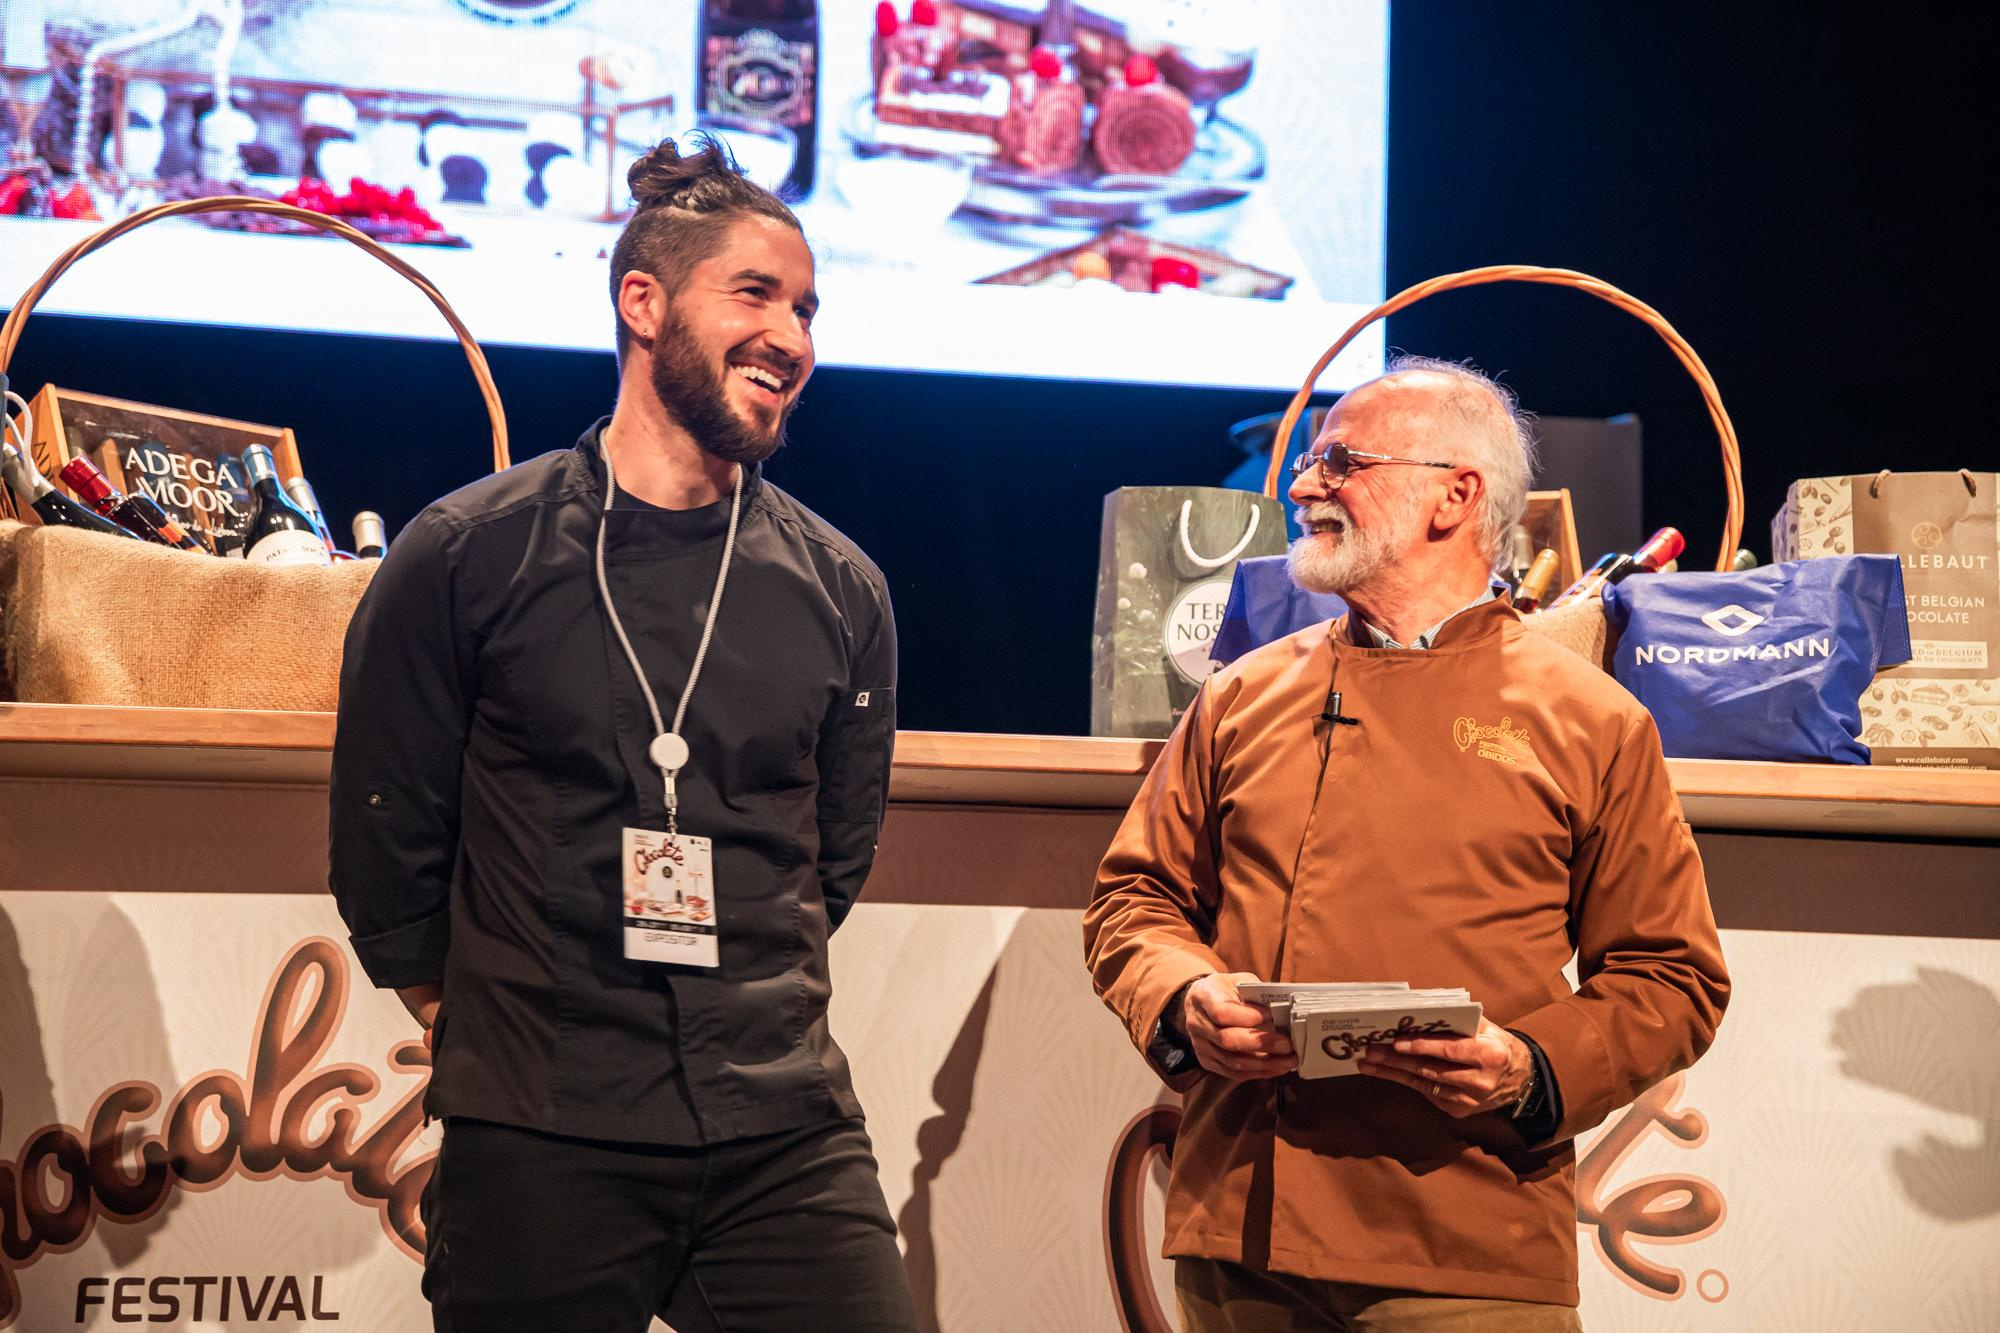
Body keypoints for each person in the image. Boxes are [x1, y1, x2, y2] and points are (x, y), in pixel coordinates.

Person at [330, 136, 917, 1333]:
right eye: (755, 294)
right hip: (542, 1126)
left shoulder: (839, 586)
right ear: (640, 302)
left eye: (806, 308)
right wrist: (487, 1025)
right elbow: (387, 830)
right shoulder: (466, 551)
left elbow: (832, 856)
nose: (794, 339)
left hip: (780, 1128)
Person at [1082, 358, 1730, 1331]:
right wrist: (1184, 996)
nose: (1302, 486)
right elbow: (1134, 902)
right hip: (1244, 1234)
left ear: (1452, 495)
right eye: (1310, 464)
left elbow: (1669, 975)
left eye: (1339, 462)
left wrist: (1526, 1065)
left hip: (1467, 1241)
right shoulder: (1243, 694)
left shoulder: (1587, 718)